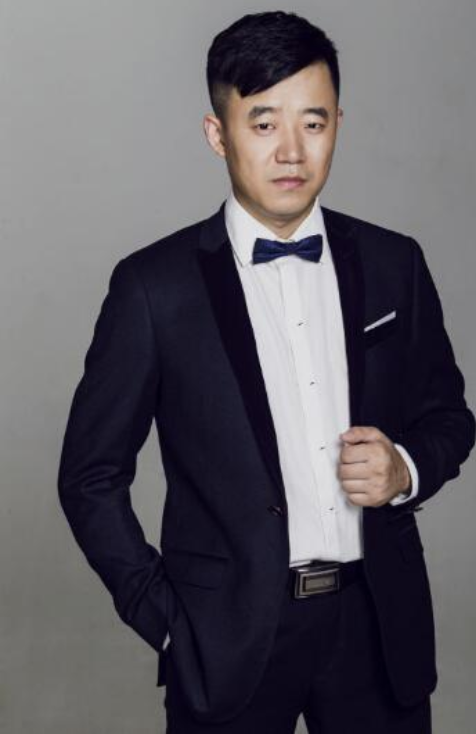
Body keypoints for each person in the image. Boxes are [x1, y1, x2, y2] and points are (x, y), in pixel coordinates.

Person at [57, 10, 475, 734]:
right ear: (218, 134)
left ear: (338, 125)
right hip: (226, 637)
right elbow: (90, 475)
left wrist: (405, 468)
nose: (291, 151)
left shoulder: (393, 263)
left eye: (313, 123)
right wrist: (165, 621)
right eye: (262, 124)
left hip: (378, 625)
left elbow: (450, 418)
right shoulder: (154, 289)